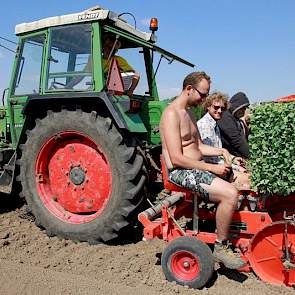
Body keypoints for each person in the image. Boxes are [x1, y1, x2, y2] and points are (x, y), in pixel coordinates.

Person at [159, 72, 246, 269]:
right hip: (180, 172)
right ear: (188, 89)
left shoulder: (189, 112)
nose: (205, 99)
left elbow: (197, 146)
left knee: (241, 181)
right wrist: (212, 167)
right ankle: (221, 247)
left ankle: (228, 227)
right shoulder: (171, 114)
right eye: (203, 94)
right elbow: (177, 158)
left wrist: (221, 151)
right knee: (230, 194)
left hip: (195, 168)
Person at [197, 92, 250, 189]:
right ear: (208, 107)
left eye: (223, 108)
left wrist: (233, 158)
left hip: (217, 164)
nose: (220, 110)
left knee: (246, 171)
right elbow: (210, 159)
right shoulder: (205, 125)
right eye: (216, 107)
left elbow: (217, 152)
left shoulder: (214, 124)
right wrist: (232, 164)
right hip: (210, 168)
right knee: (248, 179)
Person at [67, 34, 140, 96]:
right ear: (103, 47)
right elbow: (82, 75)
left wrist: (131, 90)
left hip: (109, 94)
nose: (110, 50)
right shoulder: (94, 60)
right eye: (108, 47)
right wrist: (68, 86)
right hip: (96, 91)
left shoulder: (118, 60)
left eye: (113, 49)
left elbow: (136, 76)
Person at [217, 92, 250, 158]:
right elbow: (237, 141)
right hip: (225, 157)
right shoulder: (225, 117)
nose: (244, 111)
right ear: (236, 106)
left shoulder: (235, 119)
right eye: (242, 108)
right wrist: (253, 156)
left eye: (245, 108)